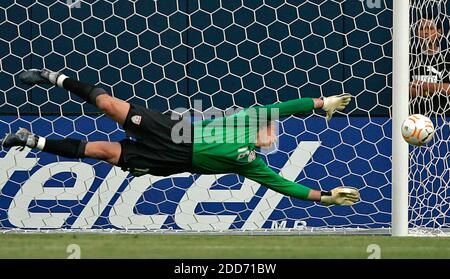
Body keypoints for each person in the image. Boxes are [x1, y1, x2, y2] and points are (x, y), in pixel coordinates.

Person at [1, 69, 360, 206]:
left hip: (175, 161)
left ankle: (30, 141)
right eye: (270, 129)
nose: (271, 134)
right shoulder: (248, 119)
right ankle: (51, 77)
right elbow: (287, 105)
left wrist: (324, 197)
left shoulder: (253, 165)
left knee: (105, 152)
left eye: (273, 136)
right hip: (177, 131)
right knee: (110, 105)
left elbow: (285, 186)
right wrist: (321, 101)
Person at [410, 18, 450, 114]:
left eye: (430, 28)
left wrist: (420, 84)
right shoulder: (409, 58)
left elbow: (448, 89)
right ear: (416, 33)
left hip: (442, 116)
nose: (426, 33)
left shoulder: (447, 57)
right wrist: (436, 89)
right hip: (414, 117)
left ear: (439, 33)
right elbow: (406, 90)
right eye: (422, 29)